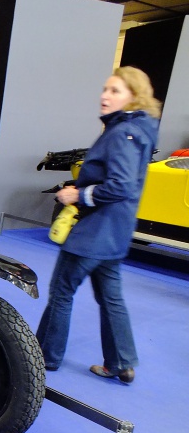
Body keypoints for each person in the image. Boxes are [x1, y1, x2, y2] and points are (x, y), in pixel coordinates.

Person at [36, 66, 161, 384]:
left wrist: (78, 193)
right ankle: (120, 362)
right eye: (105, 89)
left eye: (116, 91)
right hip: (115, 233)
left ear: (134, 97)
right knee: (111, 297)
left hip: (94, 233)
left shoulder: (121, 133)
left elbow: (121, 186)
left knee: (62, 292)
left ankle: (42, 357)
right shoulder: (139, 130)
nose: (105, 96)